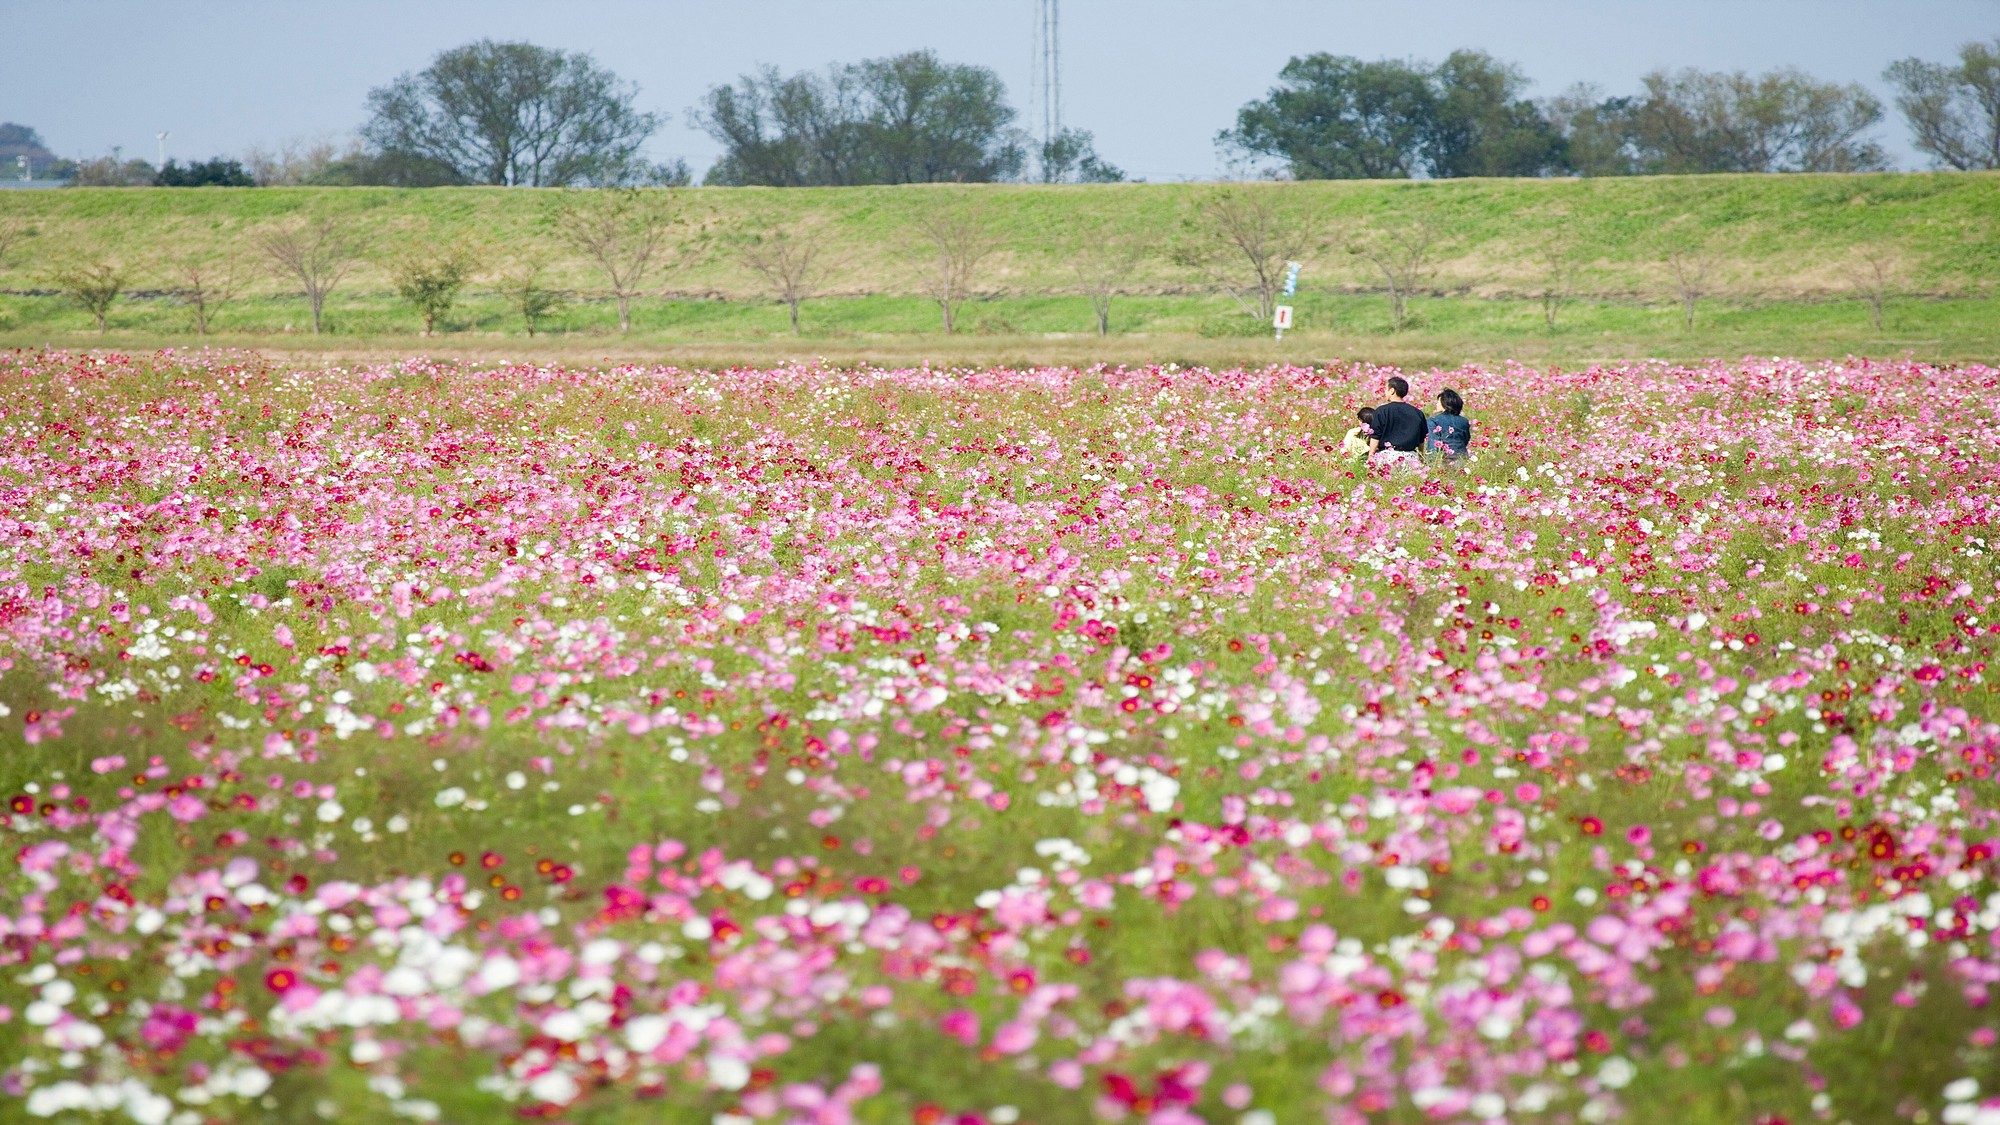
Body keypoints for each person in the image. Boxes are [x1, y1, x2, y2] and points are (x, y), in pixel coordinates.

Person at [1368, 376, 1427, 464]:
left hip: (1387, 457)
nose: (1385, 392)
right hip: (1411, 458)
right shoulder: (1417, 413)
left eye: (1386, 389)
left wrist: (1371, 456)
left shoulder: (1382, 411)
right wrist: (1421, 457)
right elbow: (1421, 439)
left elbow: (1375, 436)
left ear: (1392, 391)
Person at [1426, 387, 1472, 462]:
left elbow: (1433, 443)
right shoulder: (1464, 421)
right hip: (1462, 457)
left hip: (1445, 458)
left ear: (1444, 403)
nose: (1436, 404)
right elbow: (1466, 439)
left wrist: (1431, 462)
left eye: (1438, 402)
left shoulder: (1434, 420)